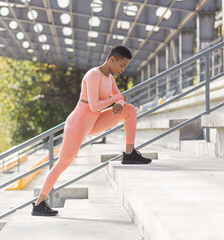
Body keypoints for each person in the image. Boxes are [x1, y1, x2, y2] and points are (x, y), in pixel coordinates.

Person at [32, 45, 152, 216]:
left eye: (125, 67)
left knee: (130, 110)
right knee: (63, 163)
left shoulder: (109, 78)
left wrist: (120, 103)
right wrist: (116, 99)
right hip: (78, 124)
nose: (123, 70)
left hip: (94, 122)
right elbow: (95, 105)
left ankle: (129, 152)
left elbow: (121, 98)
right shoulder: (93, 75)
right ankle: (39, 203)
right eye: (122, 65)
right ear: (112, 60)